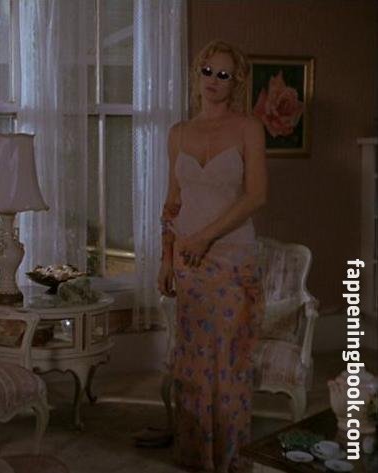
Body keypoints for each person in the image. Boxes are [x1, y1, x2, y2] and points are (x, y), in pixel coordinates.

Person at [158, 39, 267, 472]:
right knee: (193, 362)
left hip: (232, 261)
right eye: (208, 71)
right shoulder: (179, 133)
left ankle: (229, 458)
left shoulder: (248, 128)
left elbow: (256, 196)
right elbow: (172, 203)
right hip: (188, 263)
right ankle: (196, 456)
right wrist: (165, 257)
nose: (214, 81)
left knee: (229, 362)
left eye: (224, 75)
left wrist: (204, 237)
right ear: (197, 74)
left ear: (235, 83)